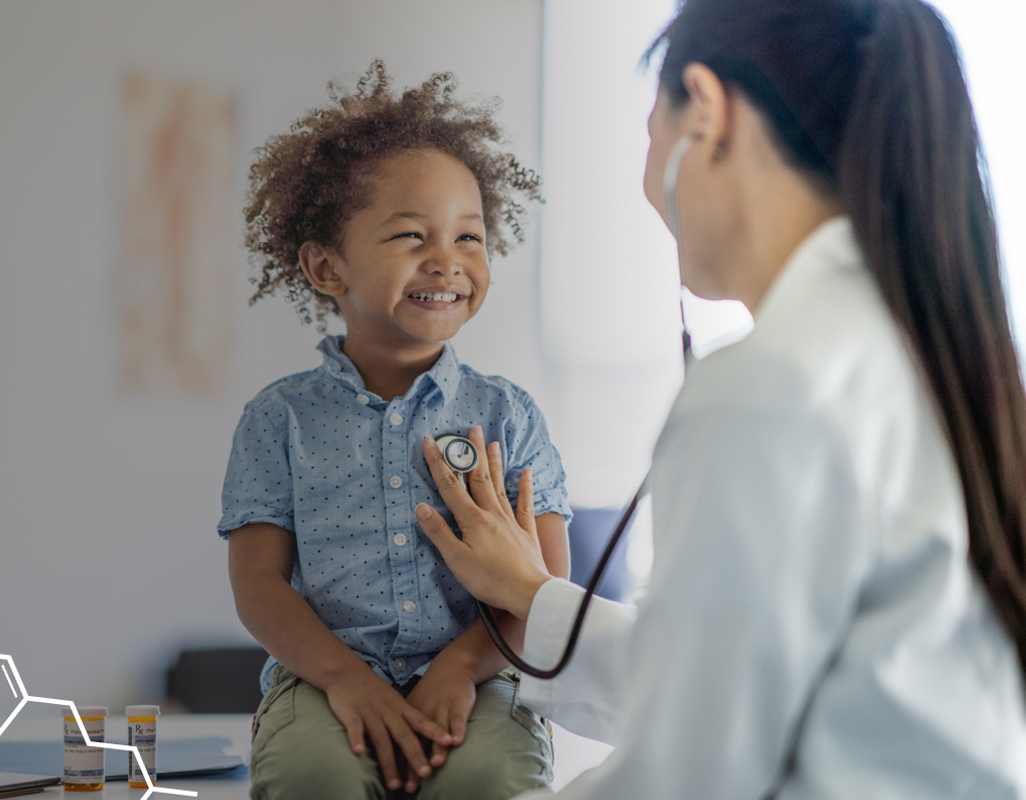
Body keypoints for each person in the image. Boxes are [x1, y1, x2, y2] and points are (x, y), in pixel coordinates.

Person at [412, 0, 1026, 797]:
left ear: (706, 109)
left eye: (649, 137)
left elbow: (690, 773)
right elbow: (755, 667)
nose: (645, 184)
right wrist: (535, 596)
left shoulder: (769, 388)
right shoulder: (920, 349)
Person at [218, 62, 571, 799]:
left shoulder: (510, 415)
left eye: (469, 237)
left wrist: (458, 668)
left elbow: (546, 583)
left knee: (495, 779)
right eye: (412, 235)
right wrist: (344, 677)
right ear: (325, 266)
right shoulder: (277, 420)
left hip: (479, 669)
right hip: (326, 675)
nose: (447, 261)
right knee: (312, 773)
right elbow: (258, 585)